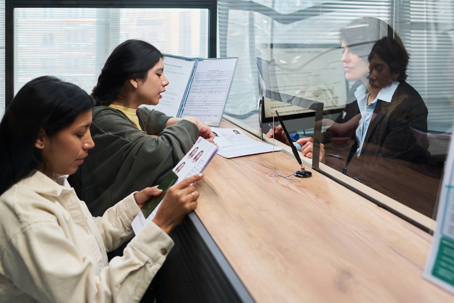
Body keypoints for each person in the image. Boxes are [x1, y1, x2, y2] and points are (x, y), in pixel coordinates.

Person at [0, 76, 203, 302]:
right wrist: (160, 226)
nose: (90, 143)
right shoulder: (25, 214)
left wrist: (134, 206)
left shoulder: (52, 176)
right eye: (79, 134)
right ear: (40, 138)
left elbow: (85, 240)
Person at [72, 39, 215, 217]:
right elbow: (158, 154)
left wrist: (178, 122)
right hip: (111, 229)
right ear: (134, 79)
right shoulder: (103, 121)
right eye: (159, 74)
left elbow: (150, 118)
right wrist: (191, 123)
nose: (166, 81)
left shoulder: (120, 111)